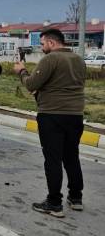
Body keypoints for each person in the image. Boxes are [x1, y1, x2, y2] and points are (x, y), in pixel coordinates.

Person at [13, 29, 86, 218]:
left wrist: (21, 71)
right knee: (71, 156)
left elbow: (31, 84)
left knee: (53, 159)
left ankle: (54, 203)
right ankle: (76, 197)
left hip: (52, 115)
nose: (42, 47)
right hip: (75, 115)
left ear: (52, 43)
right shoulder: (78, 59)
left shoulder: (50, 59)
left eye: (43, 43)